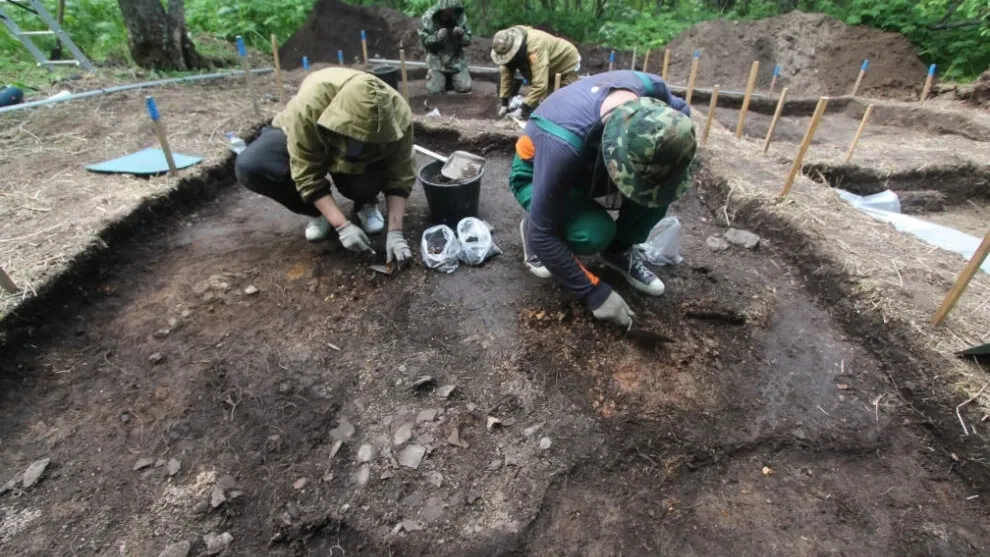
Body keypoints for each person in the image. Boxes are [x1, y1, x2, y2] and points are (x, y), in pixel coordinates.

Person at [510, 70, 696, 328]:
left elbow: (681, 111)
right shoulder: (563, 143)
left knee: (657, 192)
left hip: (589, 166)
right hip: (536, 172)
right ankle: (533, 222)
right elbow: (546, 237)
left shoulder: (653, 90)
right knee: (592, 233)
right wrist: (594, 293)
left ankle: (617, 252)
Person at [234, 67, 414, 266]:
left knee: (363, 186)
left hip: (356, 157)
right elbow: (306, 172)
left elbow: (401, 173)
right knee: (252, 166)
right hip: (306, 130)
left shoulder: (399, 115)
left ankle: (365, 201)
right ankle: (319, 213)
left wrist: (395, 232)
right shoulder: (309, 106)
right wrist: (342, 225)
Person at [490, 26, 581, 120]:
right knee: (542, 106)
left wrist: (522, 109)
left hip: (566, 63)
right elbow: (506, 73)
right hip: (547, 66)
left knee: (563, 105)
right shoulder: (506, 45)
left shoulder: (535, 48)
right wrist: (504, 103)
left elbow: (540, 84)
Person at [418, 0, 472, 95]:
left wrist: (461, 35)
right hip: (437, 60)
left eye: (453, 9)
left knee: (466, 87)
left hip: (456, 60)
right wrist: (436, 37)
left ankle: (450, 79)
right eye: (448, 9)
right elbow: (425, 42)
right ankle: (439, 77)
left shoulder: (460, 16)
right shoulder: (429, 17)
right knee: (435, 90)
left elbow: (468, 41)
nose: (451, 11)